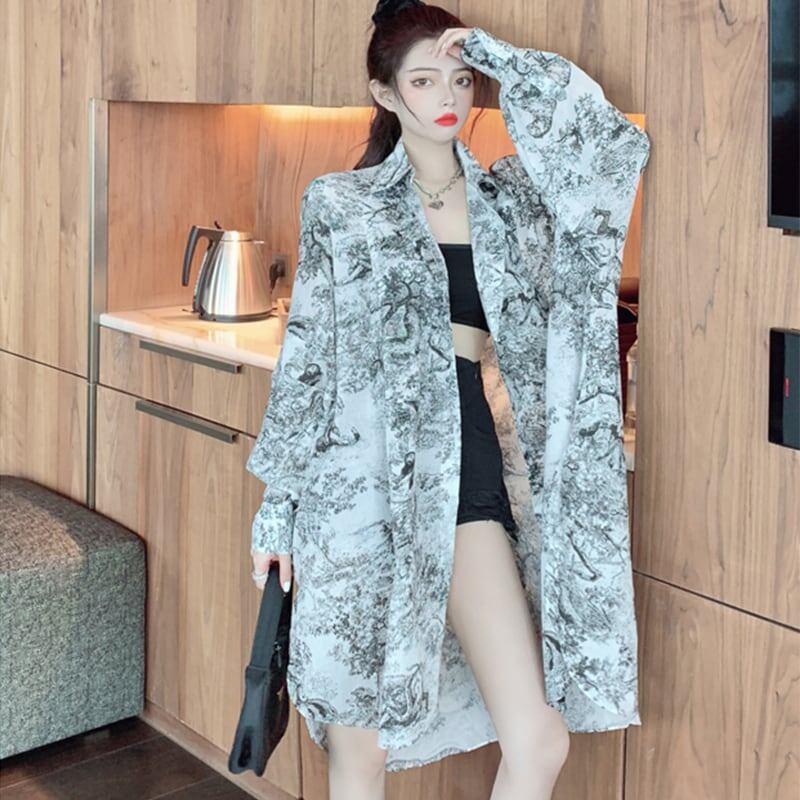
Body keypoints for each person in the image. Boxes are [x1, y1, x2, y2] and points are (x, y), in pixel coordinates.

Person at [248, 2, 650, 798]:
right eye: (424, 80)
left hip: (466, 462)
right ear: (386, 93)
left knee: (538, 738)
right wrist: (277, 507)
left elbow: (608, 147)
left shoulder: (511, 201)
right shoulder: (343, 204)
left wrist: (502, 58)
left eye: (461, 81)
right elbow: (308, 365)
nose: (447, 98)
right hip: (357, 482)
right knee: (360, 748)